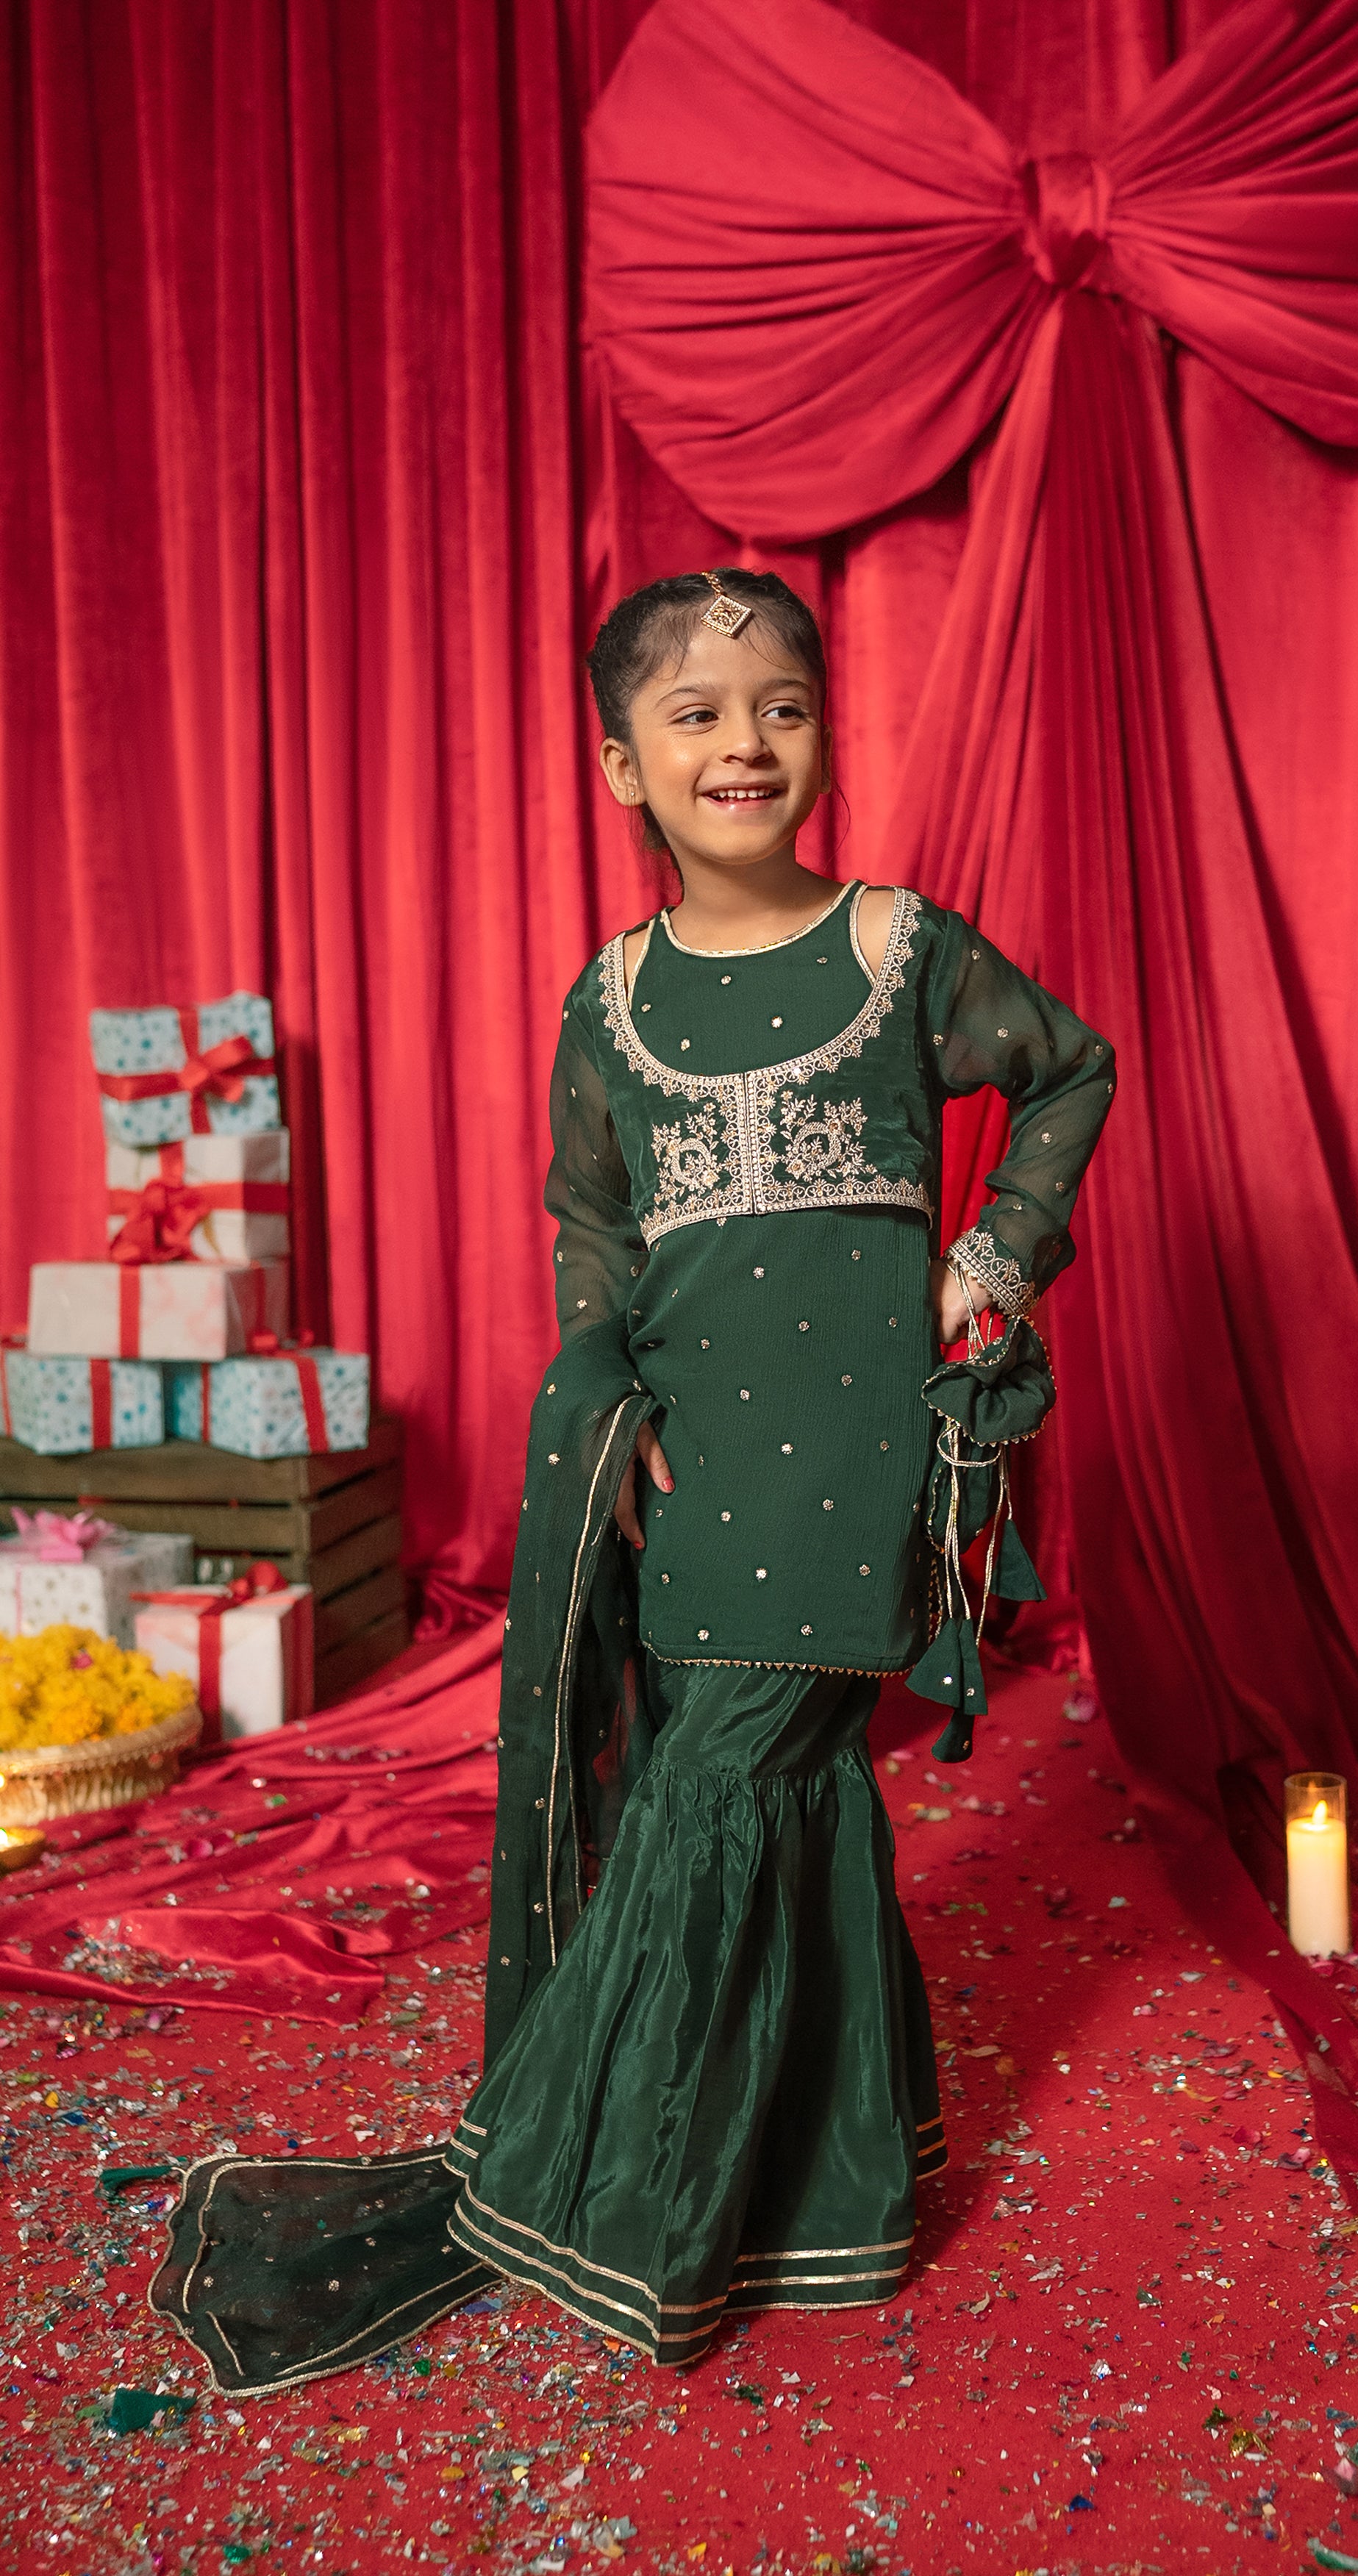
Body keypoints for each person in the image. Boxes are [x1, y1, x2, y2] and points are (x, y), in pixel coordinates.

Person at [150, 567, 1114, 2392]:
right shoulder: (611, 1001)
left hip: (851, 1447)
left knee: (722, 1787)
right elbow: (590, 1226)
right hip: (685, 1457)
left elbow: (1068, 1073)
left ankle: (614, 2202)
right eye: (696, 714)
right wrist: (605, 1391)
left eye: (781, 707)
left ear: (822, 735)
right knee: (740, 1779)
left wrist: (986, 1263)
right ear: (622, 765)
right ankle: (806, 2188)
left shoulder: (903, 950)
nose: (745, 742)